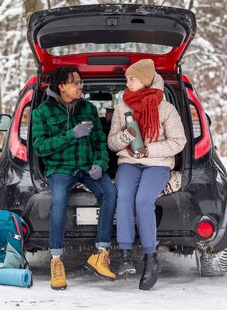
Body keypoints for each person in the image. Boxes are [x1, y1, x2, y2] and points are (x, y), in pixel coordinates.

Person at [31, 66, 117, 290]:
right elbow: (40, 147)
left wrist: (100, 163)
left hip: (88, 166)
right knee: (59, 201)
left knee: (110, 193)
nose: (81, 86)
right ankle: (56, 259)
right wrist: (72, 134)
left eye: (80, 82)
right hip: (61, 168)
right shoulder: (42, 112)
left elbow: (100, 141)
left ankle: (101, 253)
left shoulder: (88, 108)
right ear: (61, 86)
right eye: (75, 83)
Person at [107, 59, 187, 290]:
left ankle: (151, 258)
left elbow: (179, 141)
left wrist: (149, 150)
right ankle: (124, 255)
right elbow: (112, 143)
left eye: (131, 79)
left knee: (143, 201)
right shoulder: (123, 106)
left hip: (158, 164)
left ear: (144, 80)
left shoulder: (166, 108)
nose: (127, 83)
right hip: (129, 163)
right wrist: (125, 138)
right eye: (127, 79)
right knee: (123, 198)